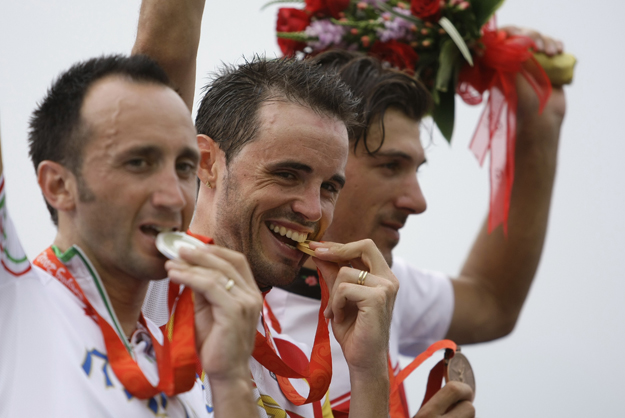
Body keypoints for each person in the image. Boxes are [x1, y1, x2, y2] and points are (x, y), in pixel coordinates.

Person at [265, 31, 567, 416]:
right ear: (328, 159)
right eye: (390, 166)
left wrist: (540, 126)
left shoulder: (381, 283)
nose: (418, 202)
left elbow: (493, 302)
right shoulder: (203, 282)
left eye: (415, 169)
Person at [135, 1, 405, 417]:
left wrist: (369, 373)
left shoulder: (278, 360)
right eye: (287, 175)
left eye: (330, 187)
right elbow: (157, 75)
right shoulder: (144, 277)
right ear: (206, 163)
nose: (313, 210)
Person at [0, 55, 264, 417]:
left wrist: (231, 379)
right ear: (58, 186)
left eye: (185, 167)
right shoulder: (14, 304)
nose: (174, 197)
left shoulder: (193, 385)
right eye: (138, 162)